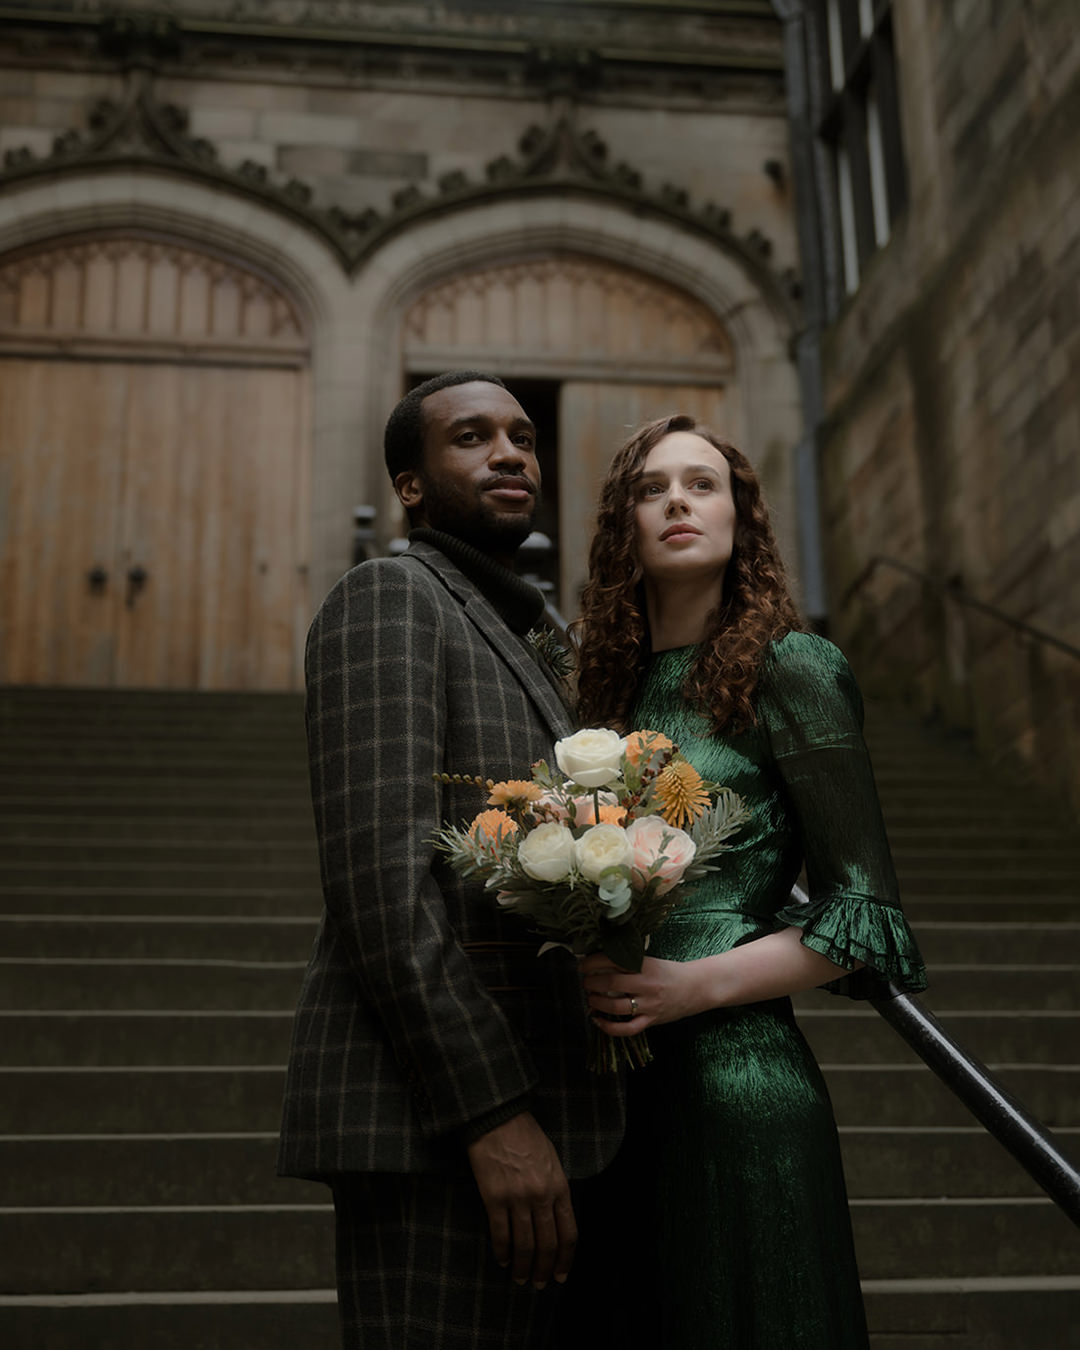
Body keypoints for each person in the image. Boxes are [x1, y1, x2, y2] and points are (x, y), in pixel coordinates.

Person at [278, 372, 623, 1349]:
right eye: (472, 437)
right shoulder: (390, 596)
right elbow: (382, 891)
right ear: (412, 486)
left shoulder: (527, 628)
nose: (510, 453)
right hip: (434, 1127)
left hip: (564, 1113)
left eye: (521, 435)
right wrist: (492, 1117)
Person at [573, 414, 927, 1348]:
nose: (678, 501)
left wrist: (693, 986)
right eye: (652, 489)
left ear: (741, 518)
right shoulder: (597, 699)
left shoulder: (793, 670)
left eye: (703, 483)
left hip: (740, 1082)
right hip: (609, 1096)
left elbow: (864, 913)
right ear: (625, 527)